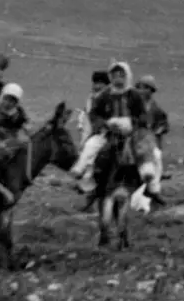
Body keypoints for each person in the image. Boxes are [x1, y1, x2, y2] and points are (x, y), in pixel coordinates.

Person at [72, 62, 146, 197]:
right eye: (115, 75)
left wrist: (131, 123)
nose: (118, 78)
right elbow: (94, 113)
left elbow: (142, 115)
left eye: (121, 75)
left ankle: (151, 185)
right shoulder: (105, 95)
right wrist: (105, 124)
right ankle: (83, 174)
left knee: (149, 154)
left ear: (127, 76)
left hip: (131, 133)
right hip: (108, 132)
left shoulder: (134, 95)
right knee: (91, 145)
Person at [132, 74, 167, 206]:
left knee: (157, 156)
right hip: (132, 137)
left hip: (148, 140)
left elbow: (164, 123)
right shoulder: (131, 104)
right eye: (140, 87)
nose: (143, 91)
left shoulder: (156, 109)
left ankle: (154, 190)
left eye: (147, 88)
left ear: (151, 91)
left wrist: (159, 130)